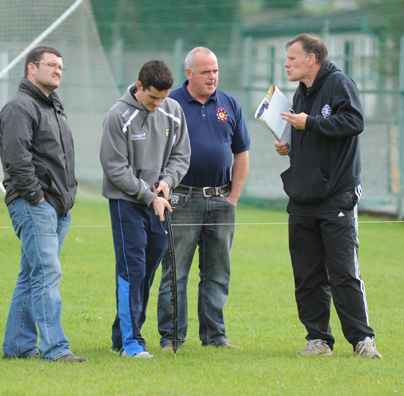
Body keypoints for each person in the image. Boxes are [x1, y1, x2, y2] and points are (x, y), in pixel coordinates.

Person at [275, 33, 382, 358]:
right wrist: (289, 143)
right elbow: (310, 131)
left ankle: (363, 340)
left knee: (343, 272)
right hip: (302, 197)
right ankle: (318, 339)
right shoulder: (300, 91)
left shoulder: (339, 83)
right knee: (307, 274)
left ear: (312, 58)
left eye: (292, 58)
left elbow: (354, 121)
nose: (286, 64)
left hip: (336, 195)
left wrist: (311, 123)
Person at [157, 47, 251, 351]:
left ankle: (215, 337)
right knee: (176, 273)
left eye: (215, 71)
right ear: (188, 74)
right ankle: (172, 338)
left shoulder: (229, 103)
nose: (212, 77)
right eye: (205, 72)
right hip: (181, 199)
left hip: (221, 200)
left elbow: (241, 153)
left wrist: (233, 197)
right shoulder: (170, 103)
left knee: (217, 273)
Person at [0, 46, 86, 362]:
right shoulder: (20, 108)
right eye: (51, 65)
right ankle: (56, 349)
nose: (58, 70)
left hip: (57, 207)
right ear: (31, 69)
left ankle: (18, 347)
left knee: (32, 275)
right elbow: (17, 160)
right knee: (47, 274)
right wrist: (37, 197)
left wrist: (64, 199)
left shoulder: (53, 107)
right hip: (35, 204)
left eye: (61, 66)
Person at [100, 60, 190, 358]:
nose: (158, 103)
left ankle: (120, 337)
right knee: (132, 271)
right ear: (139, 87)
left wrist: (167, 182)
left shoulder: (173, 110)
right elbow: (115, 168)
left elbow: (181, 155)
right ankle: (131, 343)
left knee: (147, 273)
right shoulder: (117, 116)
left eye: (163, 98)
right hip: (127, 203)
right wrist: (147, 195)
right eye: (153, 97)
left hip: (159, 203)